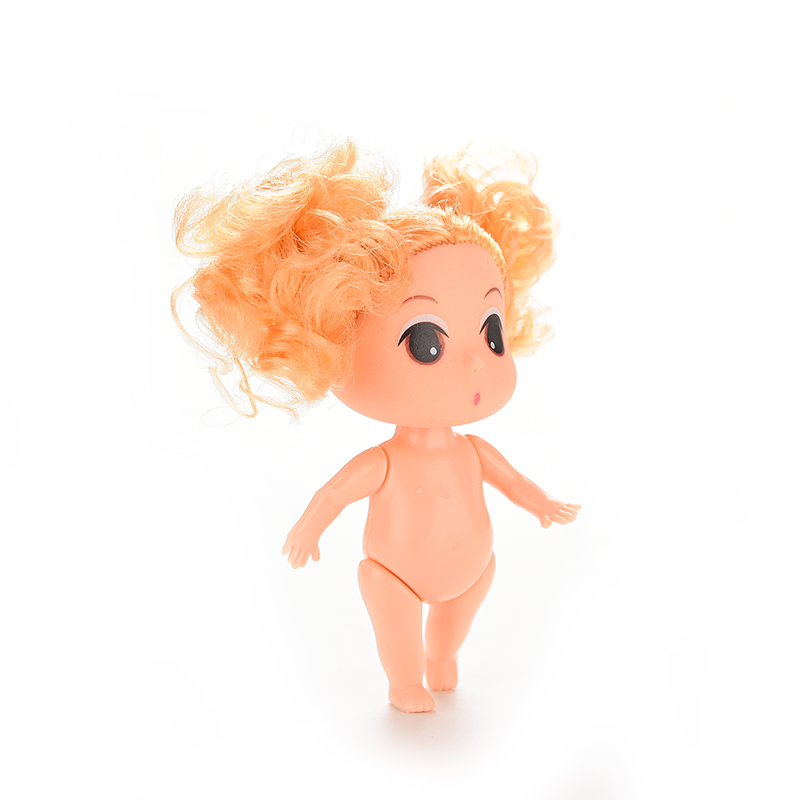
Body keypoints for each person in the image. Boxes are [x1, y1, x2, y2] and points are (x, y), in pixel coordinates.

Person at [173, 140, 580, 713]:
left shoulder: (474, 450)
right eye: (427, 342)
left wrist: (541, 503)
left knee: (453, 626)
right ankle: (403, 681)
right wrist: (308, 530)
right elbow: (335, 493)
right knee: (398, 625)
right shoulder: (385, 463)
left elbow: (512, 483)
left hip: (474, 569)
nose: (474, 363)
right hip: (394, 574)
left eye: (492, 332)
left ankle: (442, 657)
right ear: (333, 347)